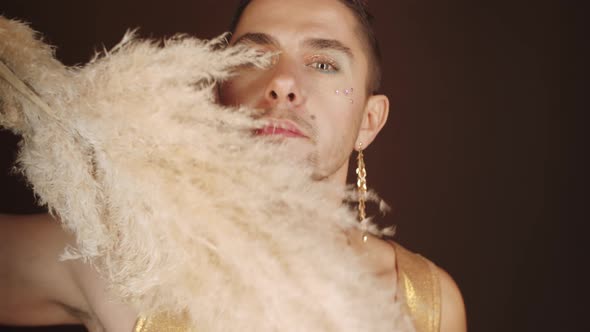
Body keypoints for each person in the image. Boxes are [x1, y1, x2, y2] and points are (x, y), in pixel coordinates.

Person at [0, 0, 466, 331]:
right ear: (219, 95)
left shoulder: (427, 304)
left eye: (323, 64)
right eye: (255, 57)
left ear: (369, 120)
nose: (283, 81)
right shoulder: (128, 259)